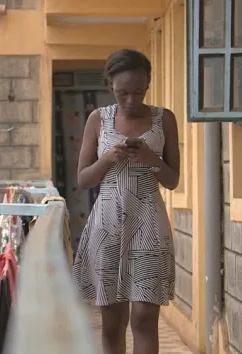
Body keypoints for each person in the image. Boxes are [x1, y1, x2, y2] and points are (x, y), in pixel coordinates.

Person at [72, 49, 180, 354]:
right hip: (108, 222)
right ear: (109, 86)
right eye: (123, 93)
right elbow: (83, 179)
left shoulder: (164, 118)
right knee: (112, 320)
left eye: (138, 91)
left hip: (148, 220)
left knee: (145, 318)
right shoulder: (98, 119)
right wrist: (107, 158)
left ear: (148, 85)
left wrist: (151, 159)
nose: (131, 100)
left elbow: (173, 180)